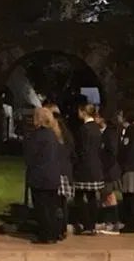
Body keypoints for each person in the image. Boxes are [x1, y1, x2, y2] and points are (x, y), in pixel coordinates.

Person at [26, 107, 66, 244]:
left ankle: (45, 235)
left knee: (42, 207)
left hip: (40, 176)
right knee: (51, 207)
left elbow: (31, 156)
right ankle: (53, 233)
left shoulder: (37, 135)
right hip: (53, 175)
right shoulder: (54, 134)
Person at [43, 100, 75, 238]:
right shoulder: (66, 132)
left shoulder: (51, 133)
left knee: (54, 203)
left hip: (56, 172)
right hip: (65, 171)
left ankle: (56, 229)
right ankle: (61, 229)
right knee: (61, 203)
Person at [73, 103, 105, 235]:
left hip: (84, 167)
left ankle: (85, 223)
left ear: (83, 112)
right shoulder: (96, 128)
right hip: (95, 166)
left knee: (79, 197)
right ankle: (91, 224)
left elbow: (82, 150)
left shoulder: (84, 129)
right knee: (92, 197)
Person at [96, 111, 122, 233]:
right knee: (105, 196)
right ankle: (108, 221)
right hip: (106, 169)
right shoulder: (104, 133)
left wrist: (105, 167)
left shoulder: (109, 133)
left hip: (109, 170)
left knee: (109, 196)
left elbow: (112, 152)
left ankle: (113, 222)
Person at [120, 108, 134, 234]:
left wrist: (123, 164)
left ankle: (130, 224)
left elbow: (127, 148)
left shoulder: (131, 130)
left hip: (131, 167)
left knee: (129, 195)